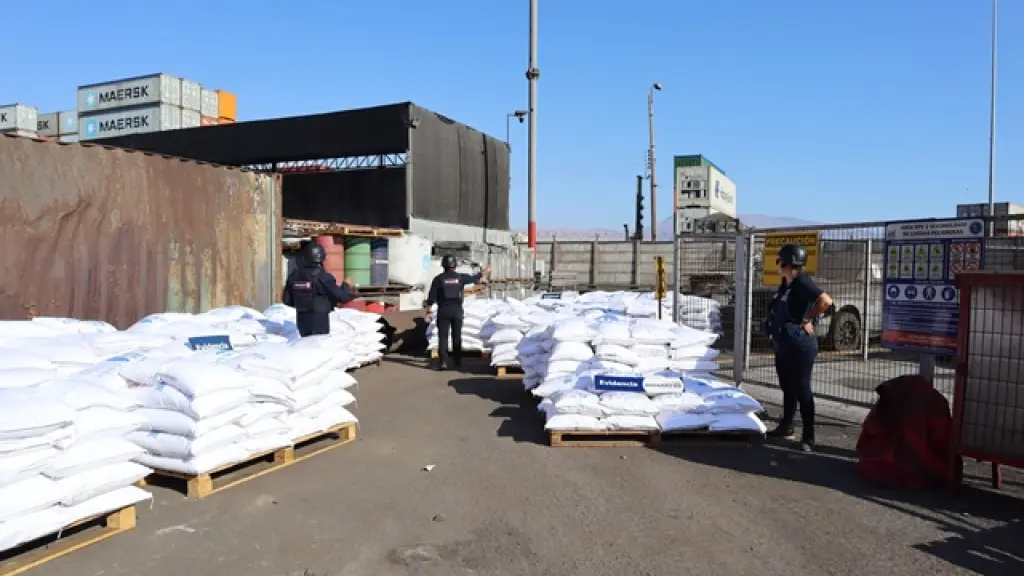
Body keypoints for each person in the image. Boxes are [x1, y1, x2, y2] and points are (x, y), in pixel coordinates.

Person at [764, 243, 833, 452]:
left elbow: (825, 301)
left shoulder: (802, 282)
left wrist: (807, 319)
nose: (777, 264)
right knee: (788, 388)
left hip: (801, 346)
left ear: (788, 263)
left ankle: (808, 436)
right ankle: (786, 426)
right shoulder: (785, 285)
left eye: (779, 261)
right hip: (784, 345)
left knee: (803, 389)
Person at [424, 255, 490, 370]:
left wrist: (428, 310)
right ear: (455, 265)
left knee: (443, 337)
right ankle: (457, 362)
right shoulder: (460, 278)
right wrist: (484, 272)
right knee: (457, 336)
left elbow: (431, 298)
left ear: (443, 265)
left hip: (443, 310)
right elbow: (473, 279)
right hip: (457, 310)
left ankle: (443, 362)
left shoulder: (438, 279)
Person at [282, 242, 356, 337]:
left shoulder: (294, 276)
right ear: (321, 259)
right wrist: (346, 285)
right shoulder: (322, 277)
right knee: (318, 348)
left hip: (301, 321)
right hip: (319, 322)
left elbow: (287, 300)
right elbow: (342, 297)